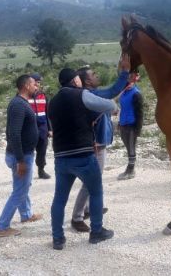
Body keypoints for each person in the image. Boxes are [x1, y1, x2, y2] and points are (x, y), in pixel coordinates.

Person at [49, 67, 117, 250]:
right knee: (96, 192)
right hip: (83, 155)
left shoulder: (52, 102)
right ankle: (96, 232)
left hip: (61, 157)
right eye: (77, 79)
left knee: (59, 199)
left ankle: (58, 238)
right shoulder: (82, 95)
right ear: (74, 81)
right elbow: (110, 106)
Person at [70, 56, 130, 232]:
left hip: (98, 144)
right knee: (91, 181)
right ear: (87, 81)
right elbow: (111, 92)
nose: (97, 76)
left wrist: (126, 82)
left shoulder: (93, 95)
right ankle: (77, 217)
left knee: (91, 180)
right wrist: (124, 72)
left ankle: (89, 208)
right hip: (96, 145)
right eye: (93, 74)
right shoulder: (92, 95)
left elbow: (111, 98)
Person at [0, 74, 43, 238]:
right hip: (21, 156)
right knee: (20, 191)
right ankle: (2, 227)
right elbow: (14, 134)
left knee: (22, 186)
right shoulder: (18, 105)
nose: (36, 87)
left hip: (23, 154)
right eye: (34, 84)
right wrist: (21, 160)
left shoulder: (21, 103)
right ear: (25, 86)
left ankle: (26, 215)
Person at [117, 70, 143, 181]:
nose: (128, 83)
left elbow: (140, 113)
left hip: (132, 125)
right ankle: (130, 168)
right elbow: (122, 109)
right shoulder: (124, 93)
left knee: (131, 147)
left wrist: (138, 128)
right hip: (123, 124)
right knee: (128, 148)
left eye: (130, 81)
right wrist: (119, 122)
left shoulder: (136, 94)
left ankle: (131, 170)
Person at [28, 73, 52, 179]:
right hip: (29, 128)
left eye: (39, 83)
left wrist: (50, 129)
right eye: (36, 83)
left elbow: (48, 114)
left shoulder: (43, 96)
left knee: (42, 150)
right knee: (28, 151)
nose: (38, 85)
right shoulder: (23, 96)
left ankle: (41, 170)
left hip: (42, 128)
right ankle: (26, 173)